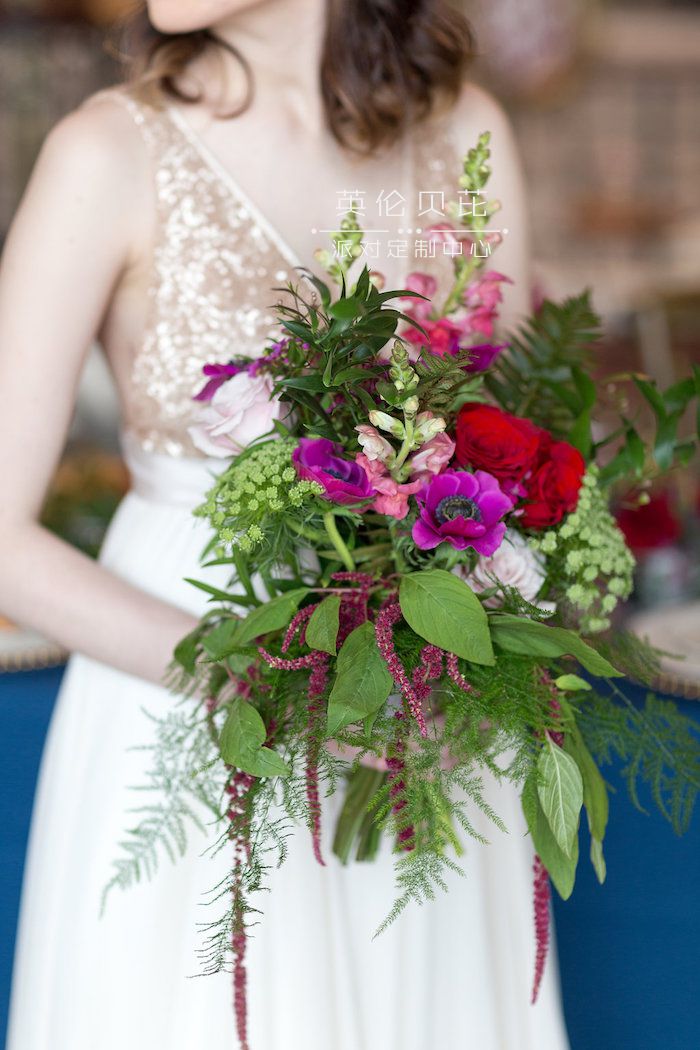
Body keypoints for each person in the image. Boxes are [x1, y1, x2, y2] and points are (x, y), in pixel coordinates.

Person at [1, 2, 570, 1047]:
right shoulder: (104, 154)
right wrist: (255, 684)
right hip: (182, 691)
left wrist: (462, 666)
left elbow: (501, 464)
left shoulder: (467, 134)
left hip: (427, 720)